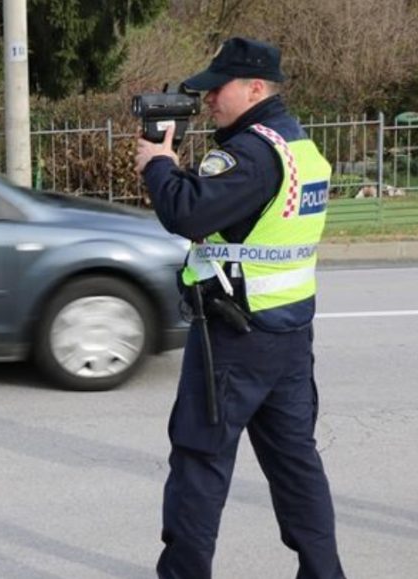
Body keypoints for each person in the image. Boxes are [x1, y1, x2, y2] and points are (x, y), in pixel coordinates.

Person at [134, 37, 346, 578]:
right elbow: (238, 221)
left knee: (199, 463)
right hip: (289, 336)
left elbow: (187, 214)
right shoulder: (297, 147)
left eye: (218, 88)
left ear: (254, 89)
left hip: (234, 338)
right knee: (296, 466)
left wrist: (158, 165)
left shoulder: (249, 154)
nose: (208, 99)